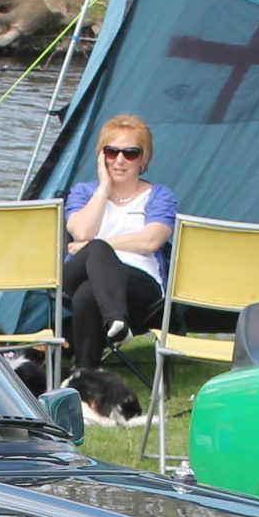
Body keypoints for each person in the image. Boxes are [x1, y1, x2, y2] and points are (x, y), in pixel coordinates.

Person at [58, 113, 175, 420]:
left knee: (88, 289)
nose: (120, 160)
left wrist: (102, 243)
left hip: (138, 283)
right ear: (102, 156)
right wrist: (103, 188)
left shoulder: (159, 195)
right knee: (96, 251)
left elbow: (151, 241)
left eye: (130, 153)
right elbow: (81, 232)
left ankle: (85, 378)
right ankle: (118, 323)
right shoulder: (84, 192)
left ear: (143, 159)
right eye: (112, 152)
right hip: (80, 271)